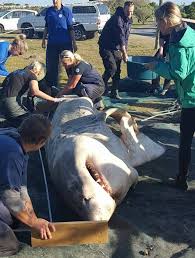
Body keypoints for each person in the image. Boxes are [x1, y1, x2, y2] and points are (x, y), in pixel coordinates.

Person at [145, 2, 195, 190]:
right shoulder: (188, 33)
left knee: (185, 141)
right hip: (190, 94)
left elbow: (179, 72)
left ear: (166, 20)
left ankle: (182, 179)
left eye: (158, 21)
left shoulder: (180, 43)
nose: (157, 25)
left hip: (192, 98)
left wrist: (155, 66)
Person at [0, 114, 56, 256]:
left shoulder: (14, 140)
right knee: (9, 245)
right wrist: (33, 223)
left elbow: (21, 188)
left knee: (10, 218)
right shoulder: (12, 153)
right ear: (42, 141)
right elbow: (10, 198)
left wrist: (33, 218)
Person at [0, 61, 65, 127]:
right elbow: (35, 91)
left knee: (13, 120)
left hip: (2, 101)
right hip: (11, 102)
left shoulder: (15, 72)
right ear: (38, 72)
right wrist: (53, 99)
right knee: (29, 122)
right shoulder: (32, 75)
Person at [98, 1, 134, 99]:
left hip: (116, 48)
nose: (130, 14)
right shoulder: (117, 19)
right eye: (128, 11)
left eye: (131, 12)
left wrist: (124, 51)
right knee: (111, 68)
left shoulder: (129, 20)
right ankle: (100, 87)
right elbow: (121, 37)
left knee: (117, 71)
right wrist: (125, 54)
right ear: (124, 9)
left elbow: (126, 38)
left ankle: (114, 92)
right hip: (106, 47)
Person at [42, 0, 77, 89]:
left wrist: (74, 42)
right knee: (51, 66)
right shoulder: (49, 11)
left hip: (65, 43)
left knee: (69, 64)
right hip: (52, 44)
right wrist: (43, 39)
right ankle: (52, 87)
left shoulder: (66, 11)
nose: (55, 1)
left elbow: (71, 28)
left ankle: (73, 85)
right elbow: (46, 26)